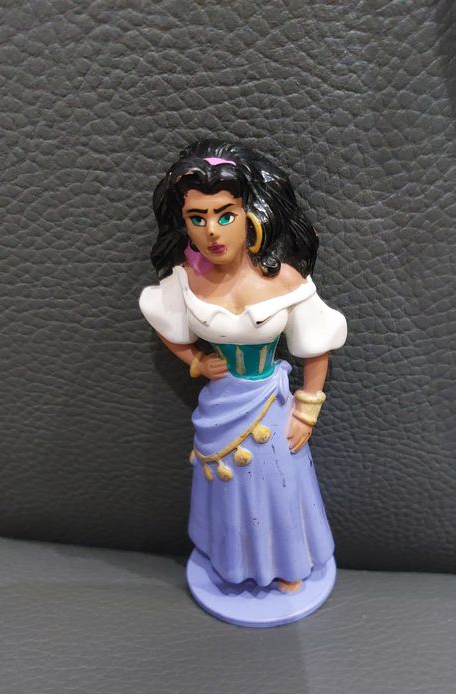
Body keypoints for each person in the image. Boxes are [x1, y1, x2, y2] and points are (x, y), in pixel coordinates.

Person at [139, 140, 347, 625]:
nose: (212, 231)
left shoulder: (283, 281)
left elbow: (315, 346)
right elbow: (165, 323)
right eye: (197, 218)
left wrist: (307, 408)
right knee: (227, 491)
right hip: (221, 403)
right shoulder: (187, 280)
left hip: (269, 404)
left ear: (251, 214)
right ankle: (231, 561)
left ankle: (289, 565)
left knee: (277, 488)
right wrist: (195, 361)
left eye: (225, 215)